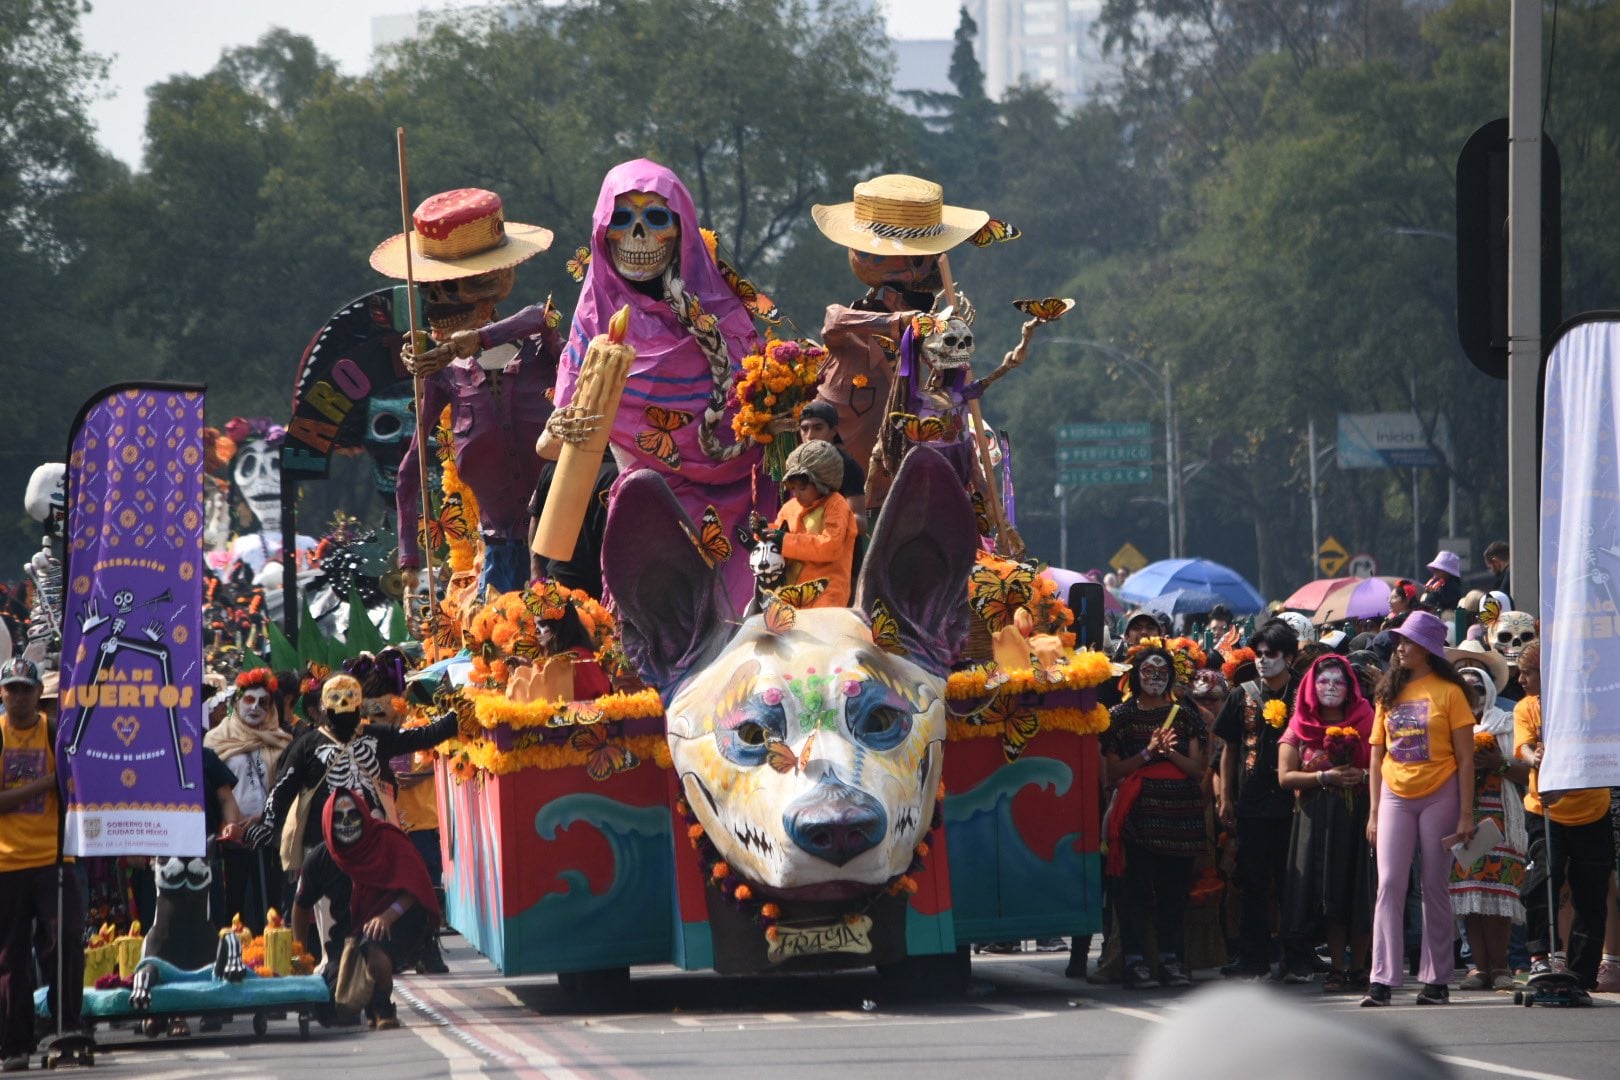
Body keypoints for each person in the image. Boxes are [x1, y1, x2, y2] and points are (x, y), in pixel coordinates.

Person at [541, 159, 764, 613]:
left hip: (740, 511)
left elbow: (758, 428)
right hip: (641, 508)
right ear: (604, 233)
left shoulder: (726, 318)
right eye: (623, 221)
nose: (637, 236)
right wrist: (565, 427)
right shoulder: (593, 322)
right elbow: (549, 446)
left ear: (681, 231)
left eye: (655, 219)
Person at [381, 188, 563, 596]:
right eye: (435, 287)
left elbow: (541, 317)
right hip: (502, 550)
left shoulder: (542, 351)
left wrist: (476, 339)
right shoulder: (445, 376)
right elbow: (410, 469)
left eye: (458, 284)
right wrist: (409, 558)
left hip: (565, 540)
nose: (439, 300)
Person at [1362, 611, 1477, 1006]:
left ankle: (1436, 980)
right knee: (1390, 882)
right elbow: (1376, 756)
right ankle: (1381, 980)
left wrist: (1465, 814)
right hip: (1395, 794)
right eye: (1398, 641)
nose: (1400, 647)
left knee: (1433, 885)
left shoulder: (1450, 693)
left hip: (1441, 793)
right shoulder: (1387, 692)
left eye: (1407, 642)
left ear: (1427, 648)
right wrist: (1374, 812)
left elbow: (1466, 758)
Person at [237, 675, 457, 865]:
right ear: (323, 707)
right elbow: (282, 788)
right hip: (324, 847)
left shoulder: (378, 735)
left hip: (375, 844)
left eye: (348, 698)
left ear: (359, 704)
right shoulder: (307, 745)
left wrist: (461, 709)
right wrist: (268, 823)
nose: (343, 705)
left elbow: (427, 735)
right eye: (336, 699)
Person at [1101, 646, 1209, 989]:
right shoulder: (1120, 715)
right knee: (1133, 893)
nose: (1155, 677)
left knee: (1173, 894)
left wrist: (1169, 752)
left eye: (1161, 672)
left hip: (1180, 816)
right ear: (1136, 674)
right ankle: (1134, 962)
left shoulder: (1185, 714)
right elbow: (1112, 772)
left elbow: (1196, 769)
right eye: (1148, 671)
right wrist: (1148, 752)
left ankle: (1171, 960)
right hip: (1138, 815)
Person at [1513, 641, 1613, 991]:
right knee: (1544, 877)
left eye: (1529, 672)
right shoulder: (1527, 707)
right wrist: (1534, 759)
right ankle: (1540, 957)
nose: (1521, 678)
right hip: (1544, 810)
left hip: (1592, 809)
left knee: (1591, 893)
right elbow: (1523, 747)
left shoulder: (1591, 704)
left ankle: (1582, 974)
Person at [0, 657, 83, 1070]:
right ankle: (15, 1043)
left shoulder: (55, 734)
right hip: (7, 864)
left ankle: (67, 1028)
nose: (18, 696)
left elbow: (78, 788)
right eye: (11, 688)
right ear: (2, 693)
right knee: (10, 958)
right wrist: (46, 783)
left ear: (38, 693)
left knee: (64, 944)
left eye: (25, 688)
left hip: (55, 859)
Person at [1277, 654, 1374, 993]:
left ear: (1350, 688)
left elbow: (1383, 767)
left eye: (1338, 681)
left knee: (1359, 887)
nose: (1331, 687)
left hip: (1361, 813)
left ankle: (1360, 967)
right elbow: (1285, 777)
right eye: (1323, 681)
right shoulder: (1298, 725)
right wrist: (1324, 776)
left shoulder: (1367, 719)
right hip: (1318, 818)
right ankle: (1336, 967)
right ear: (1311, 687)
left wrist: (1359, 775)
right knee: (1330, 891)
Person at [1215, 620, 1302, 979]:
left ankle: (1297, 958)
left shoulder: (1303, 694)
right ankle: (1253, 957)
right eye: (1260, 654)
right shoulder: (1242, 693)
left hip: (1295, 804)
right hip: (1251, 802)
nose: (1264, 661)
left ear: (1291, 657)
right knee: (1252, 882)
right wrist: (1224, 797)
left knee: (1292, 883)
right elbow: (1229, 748)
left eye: (1273, 654)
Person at [319, 789, 441, 1029]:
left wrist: (387, 916)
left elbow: (416, 886)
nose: (346, 823)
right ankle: (369, 1003)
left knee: (375, 951)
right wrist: (301, 960)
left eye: (353, 814)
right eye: (338, 817)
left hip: (403, 915)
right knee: (330, 1009)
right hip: (350, 932)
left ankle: (383, 1005)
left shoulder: (388, 838)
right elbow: (300, 907)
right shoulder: (323, 857)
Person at [1447, 659, 1528, 991]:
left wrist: (1498, 762)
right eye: (1465, 688)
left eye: (1478, 688)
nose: (1472, 694)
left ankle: (1501, 967)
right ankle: (1478, 968)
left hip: (1502, 821)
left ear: (1490, 691)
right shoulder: (1451, 727)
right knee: (1471, 899)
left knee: (1499, 899)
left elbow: (1527, 771)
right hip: (1462, 819)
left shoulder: (1506, 724)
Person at [204, 667, 291, 928]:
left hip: (269, 836)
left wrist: (264, 818)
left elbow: (286, 789)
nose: (254, 708)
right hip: (230, 840)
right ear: (237, 702)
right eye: (248, 700)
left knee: (272, 905)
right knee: (234, 907)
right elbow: (212, 793)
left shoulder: (282, 741)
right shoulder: (215, 741)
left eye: (262, 703)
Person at [769, 441, 857, 609]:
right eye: (793, 488)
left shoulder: (837, 504)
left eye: (802, 488)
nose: (796, 494)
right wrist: (763, 532)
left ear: (821, 483)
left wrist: (784, 541)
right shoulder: (789, 507)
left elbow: (831, 547)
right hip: (789, 595)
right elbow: (779, 540)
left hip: (826, 595)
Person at [797, 400, 867, 531]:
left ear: (833, 431)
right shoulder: (796, 464)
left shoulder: (847, 466)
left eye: (818, 428)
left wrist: (821, 520)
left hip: (840, 548)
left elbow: (861, 523)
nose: (810, 435)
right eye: (804, 429)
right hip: (805, 547)